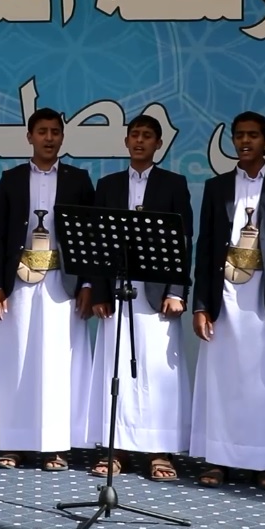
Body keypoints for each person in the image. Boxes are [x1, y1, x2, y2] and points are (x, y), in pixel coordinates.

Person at [190, 111, 265, 490]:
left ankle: (262, 462)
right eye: (239, 135)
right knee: (223, 381)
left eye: (253, 135)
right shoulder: (217, 186)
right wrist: (201, 305)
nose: (245, 141)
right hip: (225, 295)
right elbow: (205, 247)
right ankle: (219, 460)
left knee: (263, 383)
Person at [0, 107, 95, 472]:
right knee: (17, 360)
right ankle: (14, 443)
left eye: (55, 132)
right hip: (18, 282)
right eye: (42, 131)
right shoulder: (11, 179)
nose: (49, 138)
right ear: (29, 137)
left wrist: (87, 284)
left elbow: (89, 238)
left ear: (62, 137)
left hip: (63, 284)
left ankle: (55, 446)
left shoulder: (79, 180)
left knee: (58, 365)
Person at [83, 115, 194, 481]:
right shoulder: (108, 185)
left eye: (147, 136)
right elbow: (97, 243)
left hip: (158, 293)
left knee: (157, 372)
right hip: (117, 290)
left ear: (159, 143)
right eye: (135, 135)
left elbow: (184, 240)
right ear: (126, 141)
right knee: (115, 369)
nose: (140, 141)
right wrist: (100, 291)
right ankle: (115, 449)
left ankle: (159, 450)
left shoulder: (173, 184)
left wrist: (176, 291)